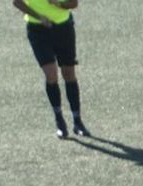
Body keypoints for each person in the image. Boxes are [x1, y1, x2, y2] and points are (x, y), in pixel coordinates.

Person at [12, 0, 90, 139]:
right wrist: (38, 16)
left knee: (69, 74)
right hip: (38, 31)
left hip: (63, 28)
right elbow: (17, 2)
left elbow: (74, 3)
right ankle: (59, 121)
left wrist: (58, 4)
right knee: (51, 75)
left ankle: (77, 121)